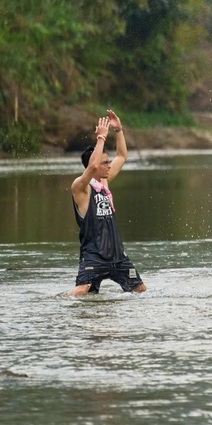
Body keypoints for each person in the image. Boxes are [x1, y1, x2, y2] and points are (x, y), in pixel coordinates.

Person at [70, 111, 147, 296]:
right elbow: (94, 167)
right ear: (92, 165)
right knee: (83, 290)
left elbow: (122, 155)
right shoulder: (80, 187)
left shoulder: (104, 182)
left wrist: (118, 129)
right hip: (94, 256)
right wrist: (101, 138)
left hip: (117, 256)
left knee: (140, 290)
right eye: (105, 162)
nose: (108, 165)